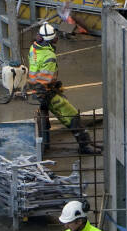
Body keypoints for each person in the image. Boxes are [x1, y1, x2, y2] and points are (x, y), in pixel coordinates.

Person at [27, 22, 102, 155]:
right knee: (72, 116)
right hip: (44, 93)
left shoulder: (34, 48)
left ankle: (87, 142)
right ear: (51, 40)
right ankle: (85, 146)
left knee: (70, 114)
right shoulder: (49, 56)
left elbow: (37, 73)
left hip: (36, 89)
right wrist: (47, 93)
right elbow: (43, 79)